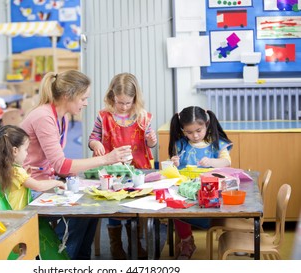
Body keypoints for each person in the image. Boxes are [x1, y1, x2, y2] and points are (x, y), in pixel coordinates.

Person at [20, 70, 132, 260]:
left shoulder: (60, 117)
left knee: (90, 209)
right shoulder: (44, 117)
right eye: (83, 98)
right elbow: (61, 165)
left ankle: (79, 261)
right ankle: (57, 260)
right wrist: (106, 159)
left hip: (44, 181)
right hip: (27, 188)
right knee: (81, 211)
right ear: (67, 96)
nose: (86, 103)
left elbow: (57, 166)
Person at [88, 73, 157, 259]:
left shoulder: (143, 117)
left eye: (128, 102)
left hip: (137, 168)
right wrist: (96, 144)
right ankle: (116, 246)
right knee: (114, 204)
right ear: (112, 97)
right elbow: (93, 138)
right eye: (120, 102)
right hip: (113, 169)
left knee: (136, 204)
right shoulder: (104, 117)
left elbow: (150, 144)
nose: (124, 106)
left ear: (135, 98)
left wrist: (151, 140)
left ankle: (136, 241)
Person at [168, 106, 232, 260]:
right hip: (187, 190)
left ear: (207, 124)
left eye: (199, 130)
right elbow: (175, 169)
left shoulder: (217, 142)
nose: (195, 136)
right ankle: (187, 242)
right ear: (182, 129)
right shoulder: (180, 144)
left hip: (211, 190)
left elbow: (226, 162)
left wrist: (211, 161)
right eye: (189, 132)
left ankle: (234, 238)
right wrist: (174, 163)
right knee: (176, 207)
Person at [0, 125, 65, 211]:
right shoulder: (16, 172)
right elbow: (39, 186)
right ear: (15, 150)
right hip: (17, 220)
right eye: (26, 149)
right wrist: (57, 183)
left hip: (2, 219)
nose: (27, 153)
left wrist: (25, 175)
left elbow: (12, 188)